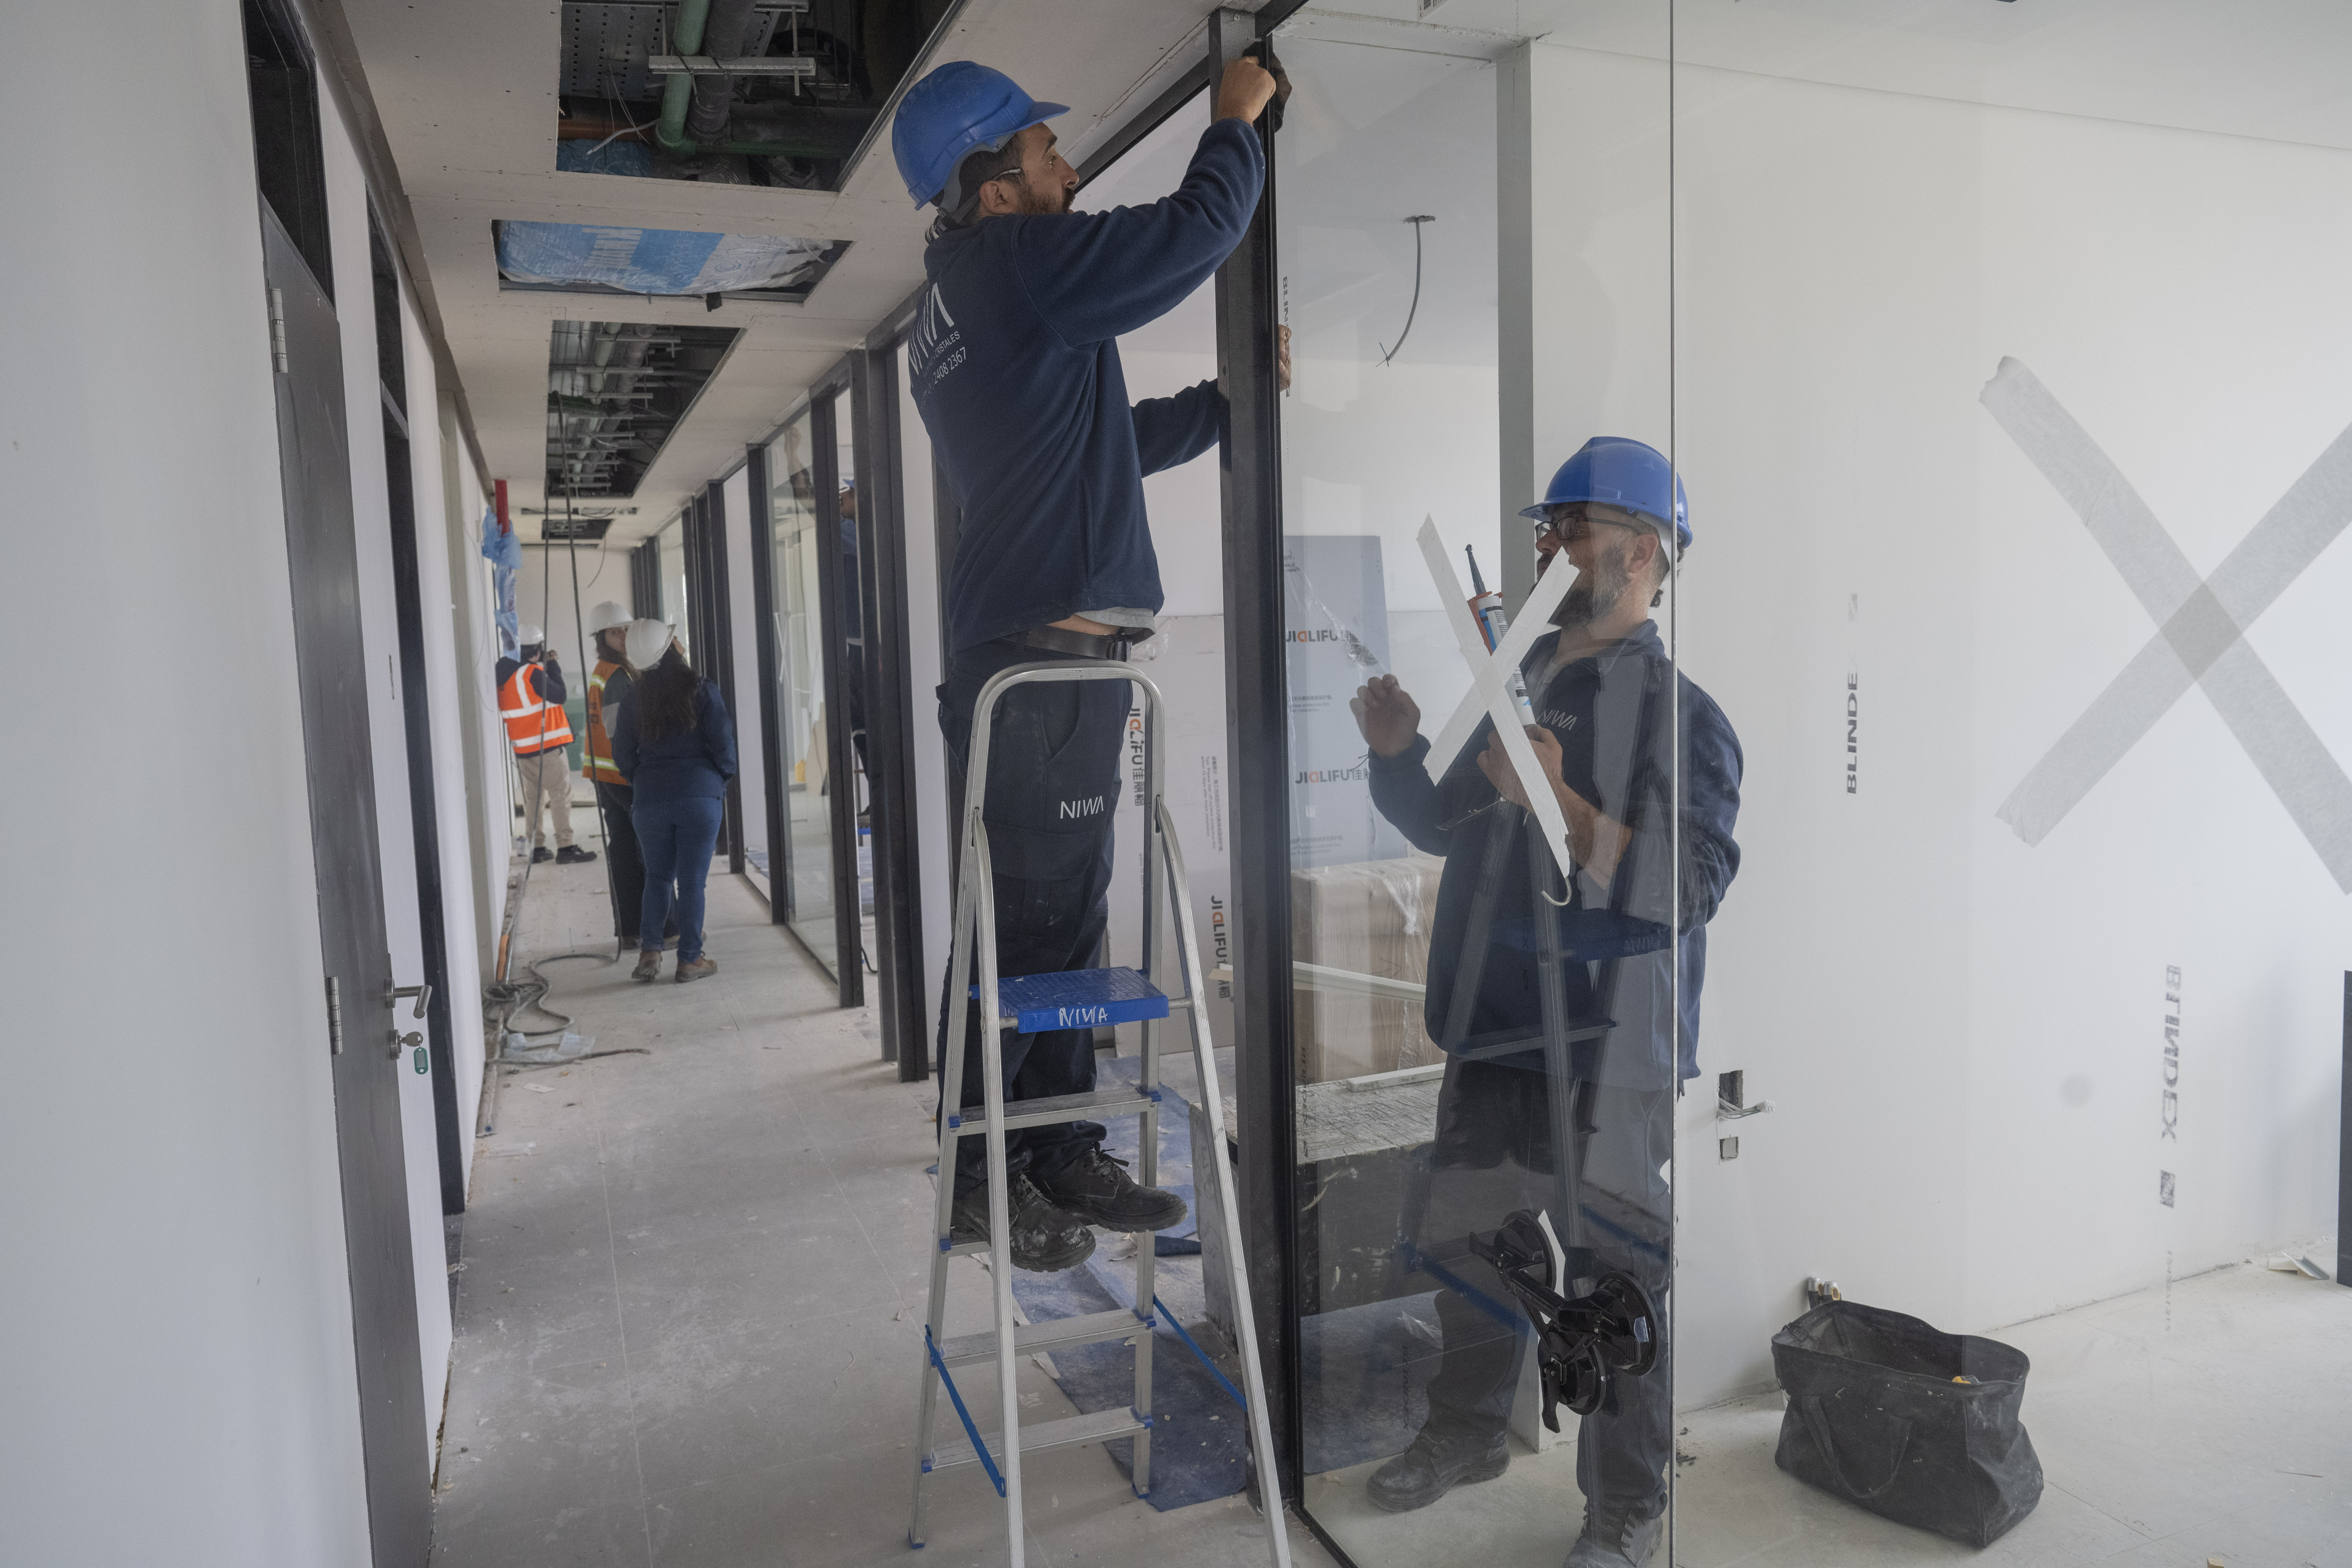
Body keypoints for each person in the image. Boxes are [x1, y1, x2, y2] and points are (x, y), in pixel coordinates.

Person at [891, 54, 1287, 1273]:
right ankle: (982, 1168)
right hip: (1042, 667)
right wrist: (1234, 126)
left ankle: (1054, 1147)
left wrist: (1223, 413)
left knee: (1048, 925)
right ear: (994, 190)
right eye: (1045, 151)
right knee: (1029, 925)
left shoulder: (954, 308)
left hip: (1039, 664)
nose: (1067, 162)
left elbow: (1085, 441)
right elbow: (1190, 236)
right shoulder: (1014, 265)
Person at [1350, 438, 1743, 1567]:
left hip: (1608, 1053)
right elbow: (1442, 824)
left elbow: (1687, 888)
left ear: (1645, 551)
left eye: (1568, 527)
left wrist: (1562, 796)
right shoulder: (1517, 694)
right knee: (1473, 1247)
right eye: (1547, 529)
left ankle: (1628, 1503)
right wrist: (1398, 752)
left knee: (1615, 1286)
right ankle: (1466, 1431)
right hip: (1495, 1031)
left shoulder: (1685, 717)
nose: (1546, 548)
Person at [612, 619, 737, 984]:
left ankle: (650, 952)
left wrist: (643, 780)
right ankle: (690, 960)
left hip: (650, 799)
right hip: (700, 795)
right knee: (693, 882)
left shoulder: (634, 698)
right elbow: (724, 746)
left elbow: (623, 755)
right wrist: (717, 779)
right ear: (671, 648)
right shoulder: (702, 689)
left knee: (658, 876)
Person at [582, 600, 658, 945]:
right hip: (621, 777)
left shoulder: (609, 670)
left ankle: (631, 931)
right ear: (602, 638)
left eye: (627, 630)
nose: (624, 637)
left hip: (607, 775)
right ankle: (664, 929)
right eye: (616, 632)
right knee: (649, 851)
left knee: (625, 850)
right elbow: (618, 731)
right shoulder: (616, 676)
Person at [497, 623, 596, 866]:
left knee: (534, 799)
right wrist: (553, 666)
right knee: (561, 794)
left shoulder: (504, 672)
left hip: (522, 749)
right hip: (547, 748)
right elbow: (560, 695)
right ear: (537, 650)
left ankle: (536, 847)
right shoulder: (532, 674)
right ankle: (566, 847)